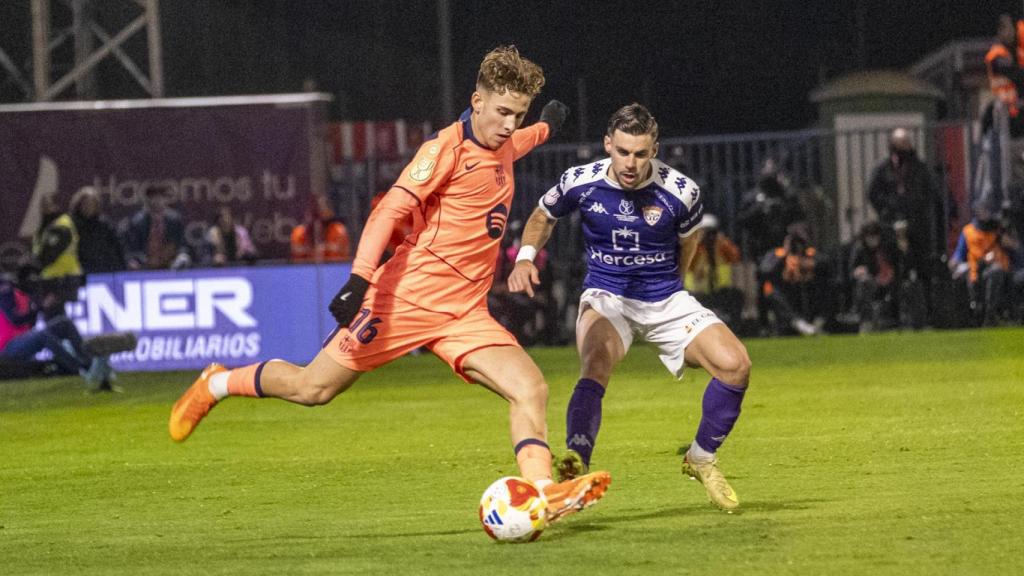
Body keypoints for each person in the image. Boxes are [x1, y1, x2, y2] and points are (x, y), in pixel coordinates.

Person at [168, 45, 610, 524]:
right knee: (311, 388)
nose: (508, 124)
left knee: (531, 388)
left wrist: (545, 125)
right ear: (476, 102)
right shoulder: (443, 151)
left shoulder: (504, 138)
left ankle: (542, 493)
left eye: (517, 114)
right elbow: (388, 211)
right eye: (503, 112)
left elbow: (521, 141)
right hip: (404, 300)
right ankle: (216, 383)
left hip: (464, 312)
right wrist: (359, 280)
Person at [507, 103, 751, 511]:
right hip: (607, 295)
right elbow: (543, 215)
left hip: (664, 298)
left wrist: (672, 287)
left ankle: (701, 458)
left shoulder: (681, 191)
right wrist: (526, 257)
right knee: (596, 359)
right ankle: (576, 465)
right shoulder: (579, 181)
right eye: (622, 152)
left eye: (640, 153)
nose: (630, 163)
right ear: (608, 145)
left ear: (654, 149)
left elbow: (688, 242)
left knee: (736, 366)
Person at [867, 129, 946, 320]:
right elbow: (873, 194)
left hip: (917, 226)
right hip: (891, 226)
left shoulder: (920, 169)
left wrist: (917, 210)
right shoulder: (883, 169)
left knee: (923, 268)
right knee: (895, 270)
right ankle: (894, 314)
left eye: (907, 144)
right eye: (901, 144)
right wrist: (889, 209)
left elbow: (931, 195)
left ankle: (927, 313)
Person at [950, 207, 1018, 325]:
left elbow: (1015, 248)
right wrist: (953, 264)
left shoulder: (998, 229)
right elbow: (958, 255)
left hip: (999, 270)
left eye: (987, 210)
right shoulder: (968, 231)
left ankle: (990, 314)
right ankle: (973, 315)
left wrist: (1006, 238)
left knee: (995, 272)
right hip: (976, 269)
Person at [685, 214, 744, 327]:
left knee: (737, 296)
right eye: (706, 232)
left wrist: (722, 241)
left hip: (719, 290)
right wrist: (698, 243)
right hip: (696, 293)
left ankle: (735, 327)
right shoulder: (694, 248)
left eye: (712, 232)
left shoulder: (721, 247)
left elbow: (735, 256)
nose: (709, 236)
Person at [121, 185, 190, 270]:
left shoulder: (175, 220)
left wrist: (182, 255)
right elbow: (133, 248)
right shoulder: (137, 222)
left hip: (171, 266)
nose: (158, 201)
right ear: (147, 200)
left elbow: (182, 244)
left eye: (161, 197)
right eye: (154, 197)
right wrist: (134, 260)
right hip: (145, 266)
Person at [69, 186, 126, 274]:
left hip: (104, 272)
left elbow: (117, 249)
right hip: (81, 274)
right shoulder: (71, 226)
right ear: (79, 205)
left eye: (91, 203)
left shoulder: (105, 226)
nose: (88, 207)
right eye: (85, 203)